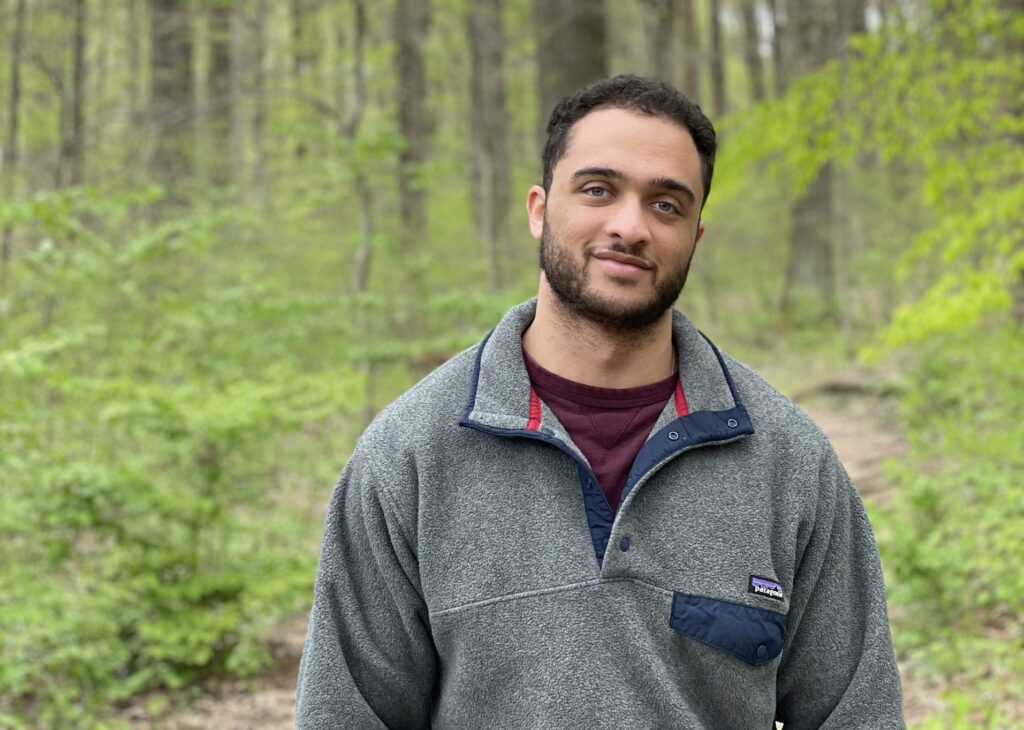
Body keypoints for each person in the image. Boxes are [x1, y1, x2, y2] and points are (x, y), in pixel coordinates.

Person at [295, 75, 904, 729]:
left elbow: (857, 713)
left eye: (666, 205)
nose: (630, 226)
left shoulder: (788, 461)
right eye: (598, 190)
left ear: (696, 235)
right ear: (538, 208)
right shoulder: (409, 454)